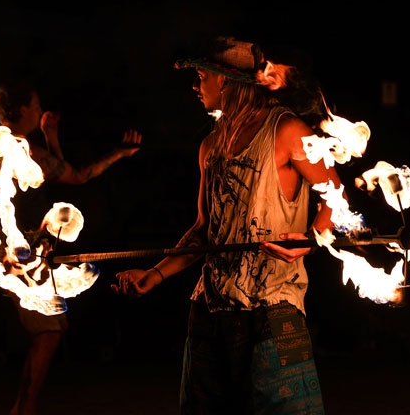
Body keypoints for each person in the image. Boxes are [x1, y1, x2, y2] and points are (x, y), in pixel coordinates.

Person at [112, 37, 341, 414]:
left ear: (225, 81)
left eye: (201, 76)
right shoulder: (210, 146)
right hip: (209, 309)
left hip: (273, 307)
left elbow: (334, 193)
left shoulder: (286, 131)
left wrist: (312, 238)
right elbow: (204, 230)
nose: (195, 85)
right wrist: (154, 275)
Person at [0, 81, 141, 415]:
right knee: (49, 331)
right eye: (36, 104)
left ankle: (22, 407)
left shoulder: (0, 148)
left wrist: (51, 136)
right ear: (23, 109)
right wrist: (118, 153)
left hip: (18, 255)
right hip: (22, 259)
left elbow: (57, 173)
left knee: (53, 328)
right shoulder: (20, 150)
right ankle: (23, 409)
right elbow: (79, 176)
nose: (41, 110)